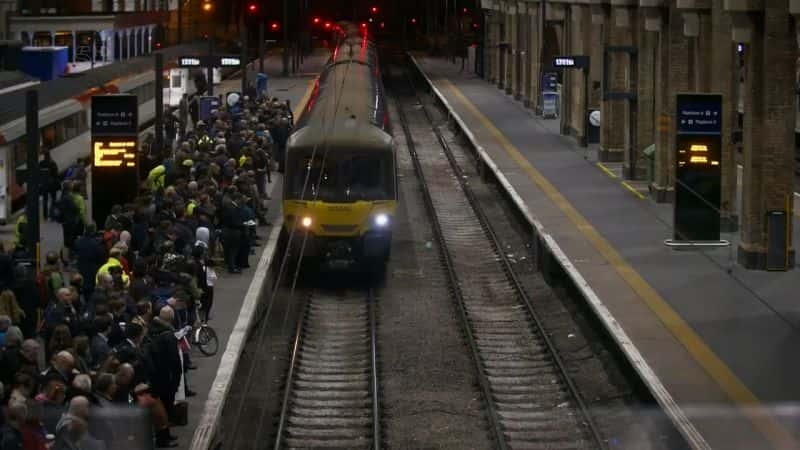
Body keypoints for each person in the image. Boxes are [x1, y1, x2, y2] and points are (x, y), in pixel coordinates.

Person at [39, 151, 60, 221]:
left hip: (44, 184)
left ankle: (45, 216)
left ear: (44, 156)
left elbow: (39, 174)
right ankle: (51, 215)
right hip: (52, 184)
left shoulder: (41, 163)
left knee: (45, 200)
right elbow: (56, 175)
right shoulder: (53, 163)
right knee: (53, 200)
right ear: (49, 155)